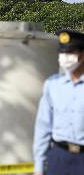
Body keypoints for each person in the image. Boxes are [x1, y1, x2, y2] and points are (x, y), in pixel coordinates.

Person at [33, 29, 84, 175]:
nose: (65, 58)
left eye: (70, 53)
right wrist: (39, 166)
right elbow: (43, 127)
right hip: (58, 157)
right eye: (62, 53)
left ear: (82, 54)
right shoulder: (53, 85)